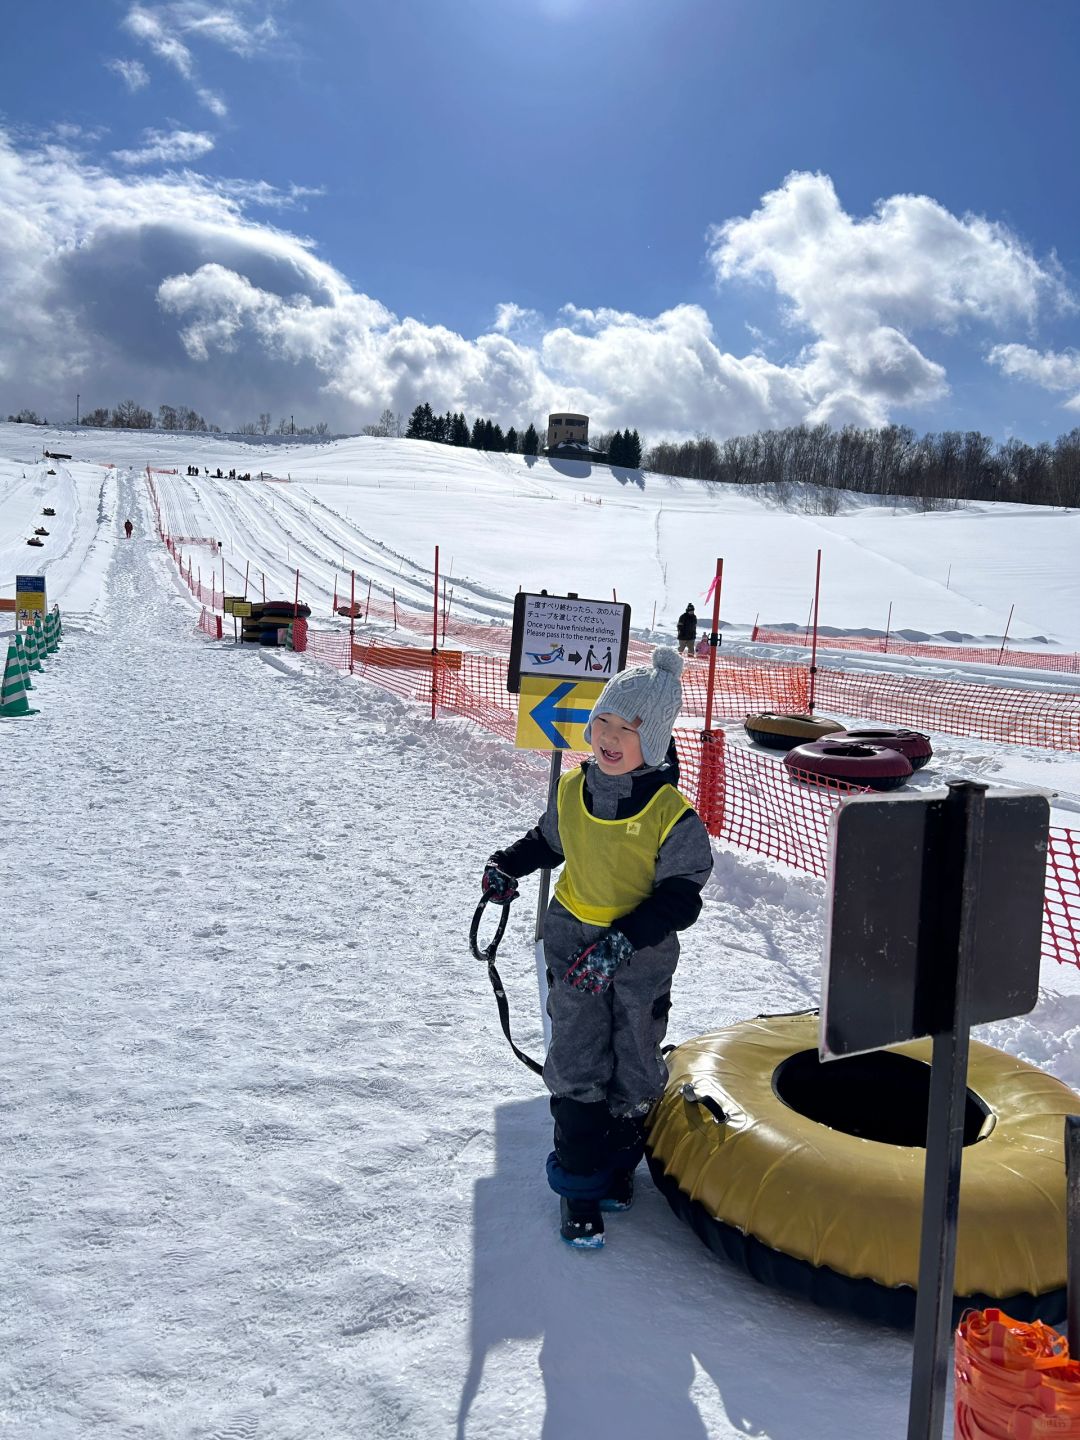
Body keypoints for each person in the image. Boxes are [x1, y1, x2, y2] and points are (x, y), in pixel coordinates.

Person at [481, 647, 713, 1248]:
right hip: (573, 949)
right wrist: (509, 865)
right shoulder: (573, 792)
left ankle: (614, 1169)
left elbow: (681, 899)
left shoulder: (674, 816)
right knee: (578, 1061)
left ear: (653, 740)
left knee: (635, 1066)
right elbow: (548, 843)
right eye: (603, 724)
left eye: (627, 730)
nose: (609, 739)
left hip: (638, 958)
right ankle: (580, 1190)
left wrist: (624, 943)